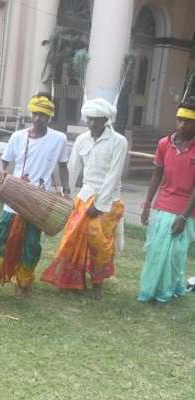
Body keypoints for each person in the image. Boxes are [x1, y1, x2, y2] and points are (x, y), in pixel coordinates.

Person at [0, 94, 69, 298]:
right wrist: (2, 171)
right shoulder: (18, 136)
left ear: (50, 117)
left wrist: (66, 191)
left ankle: (23, 283)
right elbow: (4, 161)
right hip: (15, 197)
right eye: (35, 113)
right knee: (1, 237)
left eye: (43, 115)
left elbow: (62, 165)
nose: (38, 118)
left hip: (39, 200)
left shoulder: (59, 139)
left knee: (32, 244)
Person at [41, 98, 128, 299]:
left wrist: (99, 205)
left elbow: (113, 177)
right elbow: (72, 169)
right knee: (71, 237)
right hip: (84, 196)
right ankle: (69, 279)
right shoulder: (82, 140)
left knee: (101, 244)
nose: (91, 124)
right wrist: (66, 194)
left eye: (96, 120)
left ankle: (98, 283)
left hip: (109, 201)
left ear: (106, 120)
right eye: (89, 119)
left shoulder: (119, 142)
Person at [138, 97, 195, 303]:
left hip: (185, 210)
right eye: (179, 119)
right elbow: (156, 175)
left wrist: (183, 217)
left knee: (174, 254)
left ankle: (166, 290)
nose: (182, 124)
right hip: (162, 205)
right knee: (156, 251)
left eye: (187, 121)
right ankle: (150, 290)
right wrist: (146, 205)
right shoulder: (164, 143)